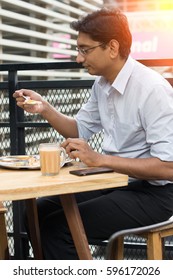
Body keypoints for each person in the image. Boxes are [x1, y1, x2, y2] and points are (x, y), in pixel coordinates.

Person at [13, 8, 173, 260]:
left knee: (58, 228)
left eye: (84, 50)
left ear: (112, 47)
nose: (78, 58)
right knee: (35, 212)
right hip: (114, 181)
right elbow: (79, 128)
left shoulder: (152, 89)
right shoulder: (102, 84)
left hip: (155, 194)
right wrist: (44, 107)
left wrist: (101, 159)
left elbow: (168, 167)